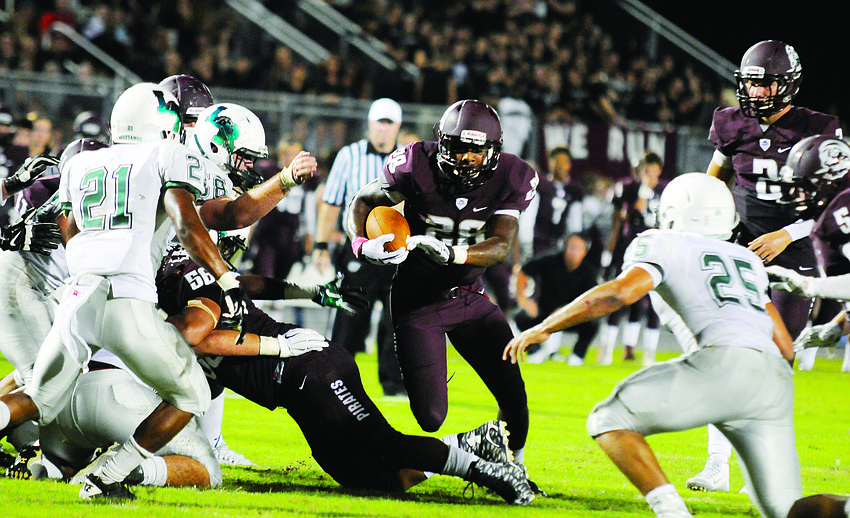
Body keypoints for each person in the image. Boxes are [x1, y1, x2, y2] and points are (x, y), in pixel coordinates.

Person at [152, 233, 535, 505]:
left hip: (309, 369)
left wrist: (275, 345)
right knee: (374, 482)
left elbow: (195, 336)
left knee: (384, 445)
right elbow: (243, 286)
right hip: (301, 384)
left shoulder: (181, 289)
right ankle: (471, 443)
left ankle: (489, 472)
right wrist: (310, 293)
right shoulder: (195, 277)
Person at [0, 82, 244, 500]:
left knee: (38, 395)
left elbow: (71, 227)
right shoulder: (166, 152)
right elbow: (188, 224)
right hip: (124, 298)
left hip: (78, 294)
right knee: (192, 394)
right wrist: (226, 276)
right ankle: (103, 477)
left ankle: (56, 460)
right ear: (160, 122)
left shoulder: (82, 163)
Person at [504, 173, 800, 518]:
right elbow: (786, 348)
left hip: (722, 363)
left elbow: (619, 293)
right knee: (787, 510)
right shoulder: (745, 260)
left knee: (608, 419)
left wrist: (546, 327)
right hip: (773, 382)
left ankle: (672, 513)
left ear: (673, 211)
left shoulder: (662, 242)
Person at [345, 99, 539, 471]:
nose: (466, 158)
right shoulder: (415, 163)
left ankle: (514, 463)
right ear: (441, 142)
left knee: (514, 393)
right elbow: (363, 201)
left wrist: (454, 254)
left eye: (476, 150)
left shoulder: (513, 175)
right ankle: (467, 448)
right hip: (417, 300)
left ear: (494, 151)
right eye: (459, 147)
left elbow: (500, 246)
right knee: (431, 417)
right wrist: (361, 244)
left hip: (468, 295)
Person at [690, 39, 844, 494]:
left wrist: (787, 235)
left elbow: (837, 200)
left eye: (765, 84)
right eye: (750, 84)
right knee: (728, 351)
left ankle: (759, 460)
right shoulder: (730, 123)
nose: (755, 93)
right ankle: (717, 463)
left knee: (776, 362)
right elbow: (711, 181)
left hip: (796, 252)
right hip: (741, 246)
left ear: (788, 85)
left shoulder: (819, 128)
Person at [312, 98, 406, 398]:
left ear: (398, 127)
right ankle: (335, 379)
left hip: (395, 251)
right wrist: (320, 244)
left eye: (389, 123)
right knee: (350, 316)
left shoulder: (406, 158)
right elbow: (331, 203)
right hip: (359, 248)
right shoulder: (349, 155)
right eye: (380, 122)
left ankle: (394, 385)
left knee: (396, 320)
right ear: (369, 123)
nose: (383, 129)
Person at [762, 135, 850, 373]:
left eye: (805, 187)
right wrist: (839, 325)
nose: (796, 195)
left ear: (830, 182)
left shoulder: (841, 212)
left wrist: (810, 286)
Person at [599, 151, 665, 366]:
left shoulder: (666, 190)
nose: (648, 174)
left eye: (652, 170)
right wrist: (608, 254)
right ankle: (606, 351)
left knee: (651, 304)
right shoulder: (628, 188)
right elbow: (623, 219)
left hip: (656, 251)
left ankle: (645, 355)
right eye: (645, 170)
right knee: (618, 298)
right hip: (628, 251)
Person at [513, 233, 600, 365]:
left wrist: (566, 311)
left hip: (571, 316)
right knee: (520, 316)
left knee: (593, 323)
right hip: (544, 313)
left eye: (578, 248)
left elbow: (591, 299)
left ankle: (577, 357)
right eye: (572, 247)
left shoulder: (589, 272)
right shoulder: (550, 261)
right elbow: (523, 271)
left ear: (585, 252)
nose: (574, 252)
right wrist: (522, 299)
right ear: (565, 248)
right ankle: (535, 352)